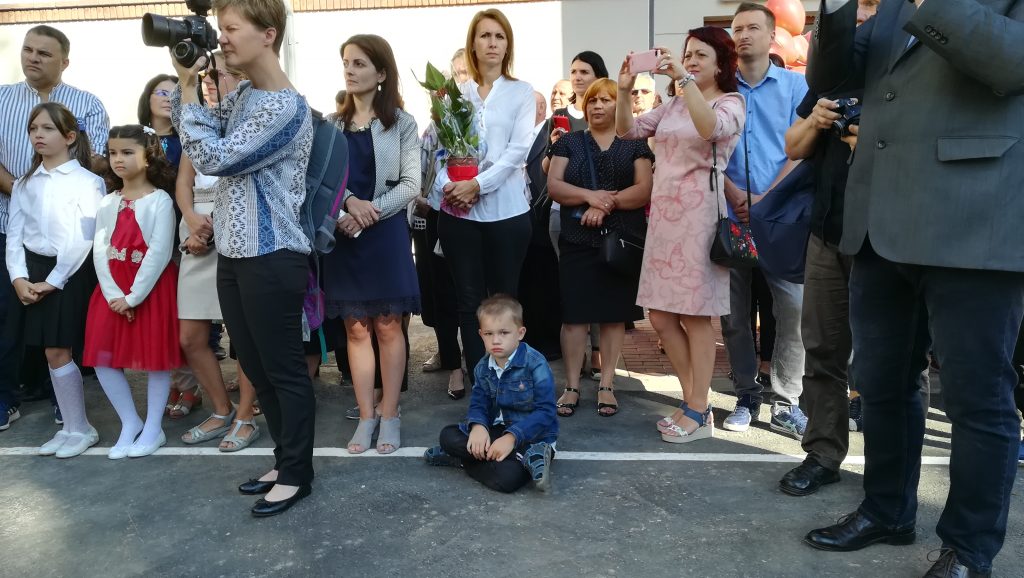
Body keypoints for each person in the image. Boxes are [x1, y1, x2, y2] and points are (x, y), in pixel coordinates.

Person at [801, 1, 1024, 575]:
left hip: (975, 220)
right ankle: (887, 511)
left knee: (976, 398)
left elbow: (1011, 63)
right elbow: (831, 76)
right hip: (879, 222)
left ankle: (969, 549)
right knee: (881, 384)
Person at [170, 0, 314, 518]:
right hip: (234, 252)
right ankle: (284, 460)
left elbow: (213, 156)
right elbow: (199, 130)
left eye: (230, 29)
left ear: (268, 34)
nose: (222, 39)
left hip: (272, 254)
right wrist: (193, 83)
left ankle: (297, 474)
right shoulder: (246, 94)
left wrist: (187, 87)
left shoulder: (285, 107)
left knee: (283, 369)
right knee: (253, 364)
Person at [617, 27, 745, 441]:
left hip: (700, 218)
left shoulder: (731, 102)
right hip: (664, 218)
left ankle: (697, 407)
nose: (690, 60)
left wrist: (684, 81)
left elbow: (710, 129)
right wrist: (623, 90)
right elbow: (628, 132)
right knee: (659, 315)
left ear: (721, 64)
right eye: (687, 54)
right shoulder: (672, 104)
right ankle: (695, 401)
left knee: (695, 314)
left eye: (700, 55)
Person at [776, 0, 879, 498]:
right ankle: (821, 454)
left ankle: (888, 469)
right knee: (821, 351)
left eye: (871, 5)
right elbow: (793, 146)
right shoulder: (830, 73)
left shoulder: (908, 67)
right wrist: (816, 121)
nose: (858, 15)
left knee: (891, 361)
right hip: (826, 232)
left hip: (886, 238)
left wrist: (875, 141)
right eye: (854, 6)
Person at [0, 24, 110, 430]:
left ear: (64, 61)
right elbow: (17, 225)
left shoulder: (87, 105)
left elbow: (97, 161)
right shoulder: (2, 99)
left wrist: (46, 190)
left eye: (43, 53)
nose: (32, 57)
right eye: (28, 49)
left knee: (64, 337)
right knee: (13, 323)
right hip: (17, 232)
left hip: (67, 249)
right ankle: (9, 399)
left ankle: (70, 413)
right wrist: (25, 191)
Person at [327, 34, 420, 455]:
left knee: (387, 324)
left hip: (385, 233)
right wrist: (349, 205)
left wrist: (369, 212)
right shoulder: (331, 126)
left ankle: (390, 413)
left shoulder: (402, 123)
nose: (350, 70)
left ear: (381, 73)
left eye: (360, 63)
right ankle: (366, 416)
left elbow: (412, 184)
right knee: (355, 327)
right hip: (344, 231)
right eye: (347, 63)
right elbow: (323, 182)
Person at [718, 2, 808, 437]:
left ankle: (787, 399)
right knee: (733, 313)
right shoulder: (719, 88)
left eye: (753, 27)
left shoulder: (795, 85)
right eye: (737, 28)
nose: (743, 35)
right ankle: (746, 395)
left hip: (782, 213)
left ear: (773, 36)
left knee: (793, 307)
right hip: (730, 213)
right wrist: (735, 193)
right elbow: (707, 149)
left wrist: (766, 197)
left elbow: (803, 147)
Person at [434, 8, 535, 379]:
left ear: (508, 46)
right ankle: (482, 383)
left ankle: (508, 380)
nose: (492, 43)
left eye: (499, 36)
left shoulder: (521, 92)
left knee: (505, 302)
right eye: (485, 35)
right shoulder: (453, 95)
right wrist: (448, 186)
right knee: (468, 302)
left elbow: (517, 151)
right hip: (460, 214)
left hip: (507, 212)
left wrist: (477, 184)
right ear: (472, 45)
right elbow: (439, 151)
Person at [549, 78, 653, 418]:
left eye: (606, 100)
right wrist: (589, 196)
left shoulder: (634, 143)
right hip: (577, 241)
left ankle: (607, 384)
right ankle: (572, 385)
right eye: (592, 100)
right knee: (574, 317)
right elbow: (555, 186)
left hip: (620, 243)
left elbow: (643, 190)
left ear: (618, 105)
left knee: (612, 316)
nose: (597, 106)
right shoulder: (570, 142)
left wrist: (605, 204)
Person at [4, 102, 104, 456]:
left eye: (47, 129)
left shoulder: (88, 182)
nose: (38, 135)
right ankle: (72, 427)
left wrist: (56, 279)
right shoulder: (25, 183)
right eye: (33, 129)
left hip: (70, 272)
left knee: (60, 349)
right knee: (51, 352)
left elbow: (84, 237)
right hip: (34, 271)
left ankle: (81, 428)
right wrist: (18, 277)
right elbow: (14, 233)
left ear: (70, 137)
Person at [83, 124, 182, 459]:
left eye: (127, 152)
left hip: (150, 290)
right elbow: (100, 249)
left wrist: (133, 297)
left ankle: (153, 427)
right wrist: (114, 294)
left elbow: (159, 252)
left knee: (155, 359)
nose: (118, 159)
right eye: (113, 153)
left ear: (148, 156)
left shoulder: (160, 201)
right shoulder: (108, 202)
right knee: (102, 356)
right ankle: (130, 421)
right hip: (112, 289)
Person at [175, 53, 258, 451]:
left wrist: (211, 225)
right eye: (207, 75)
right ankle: (221, 409)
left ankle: (245, 415)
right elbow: (183, 182)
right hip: (195, 228)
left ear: (242, 79)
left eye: (219, 75)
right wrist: (191, 219)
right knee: (191, 337)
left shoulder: (253, 122)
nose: (209, 81)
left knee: (245, 335)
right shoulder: (199, 122)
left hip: (238, 225)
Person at [423, 295, 557, 493]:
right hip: (496, 431)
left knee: (507, 479)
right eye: (488, 333)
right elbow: (479, 403)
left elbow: (546, 412)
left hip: (532, 437)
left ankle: (467, 458)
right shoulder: (483, 367)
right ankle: (506, 458)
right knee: (448, 436)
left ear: (520, 333)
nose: (496, 340)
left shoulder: (536, 364)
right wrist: (478, 427)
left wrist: (511, 437)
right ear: (481, 334)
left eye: (504, 332)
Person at [545, 51, 610, 381]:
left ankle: (597, 350)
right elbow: (547, 170)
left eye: (585, 71)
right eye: (574, 71)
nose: (578, 77)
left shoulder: (609, 111)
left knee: (603, 283)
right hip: (565, 213)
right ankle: (576, 355)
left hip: (607, 212)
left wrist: (600, 202)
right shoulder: (559, 116)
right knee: (574, 285)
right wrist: (555, 146)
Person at [414, 47, 472, 399]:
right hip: (438, 213)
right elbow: (421, 169)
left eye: (467, 74)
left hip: (479, 212)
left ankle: (479, 360)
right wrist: (420, 198)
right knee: (441, 292)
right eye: (457, 74)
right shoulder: (436, 125)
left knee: (474, 293)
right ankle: (452, 362)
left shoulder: (485, 118)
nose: (461, 81)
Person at [517, 90, 563, 362]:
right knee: (524, 281)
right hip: (516, 217)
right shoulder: (515, 135)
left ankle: (548, 341)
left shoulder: (550, 133)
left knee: (544, 282)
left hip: (541, 217)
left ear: (542, 108)